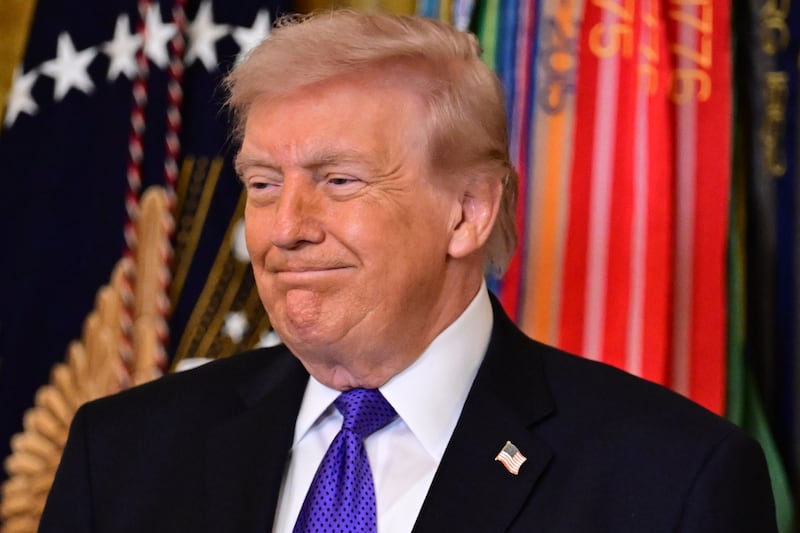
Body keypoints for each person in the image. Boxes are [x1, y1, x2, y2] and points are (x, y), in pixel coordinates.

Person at [40, 9, 777, 533]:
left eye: (339, 181)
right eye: (263, 184)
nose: (285, 229)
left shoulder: (672, 482)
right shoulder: (122, 452)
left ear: (467, 212)